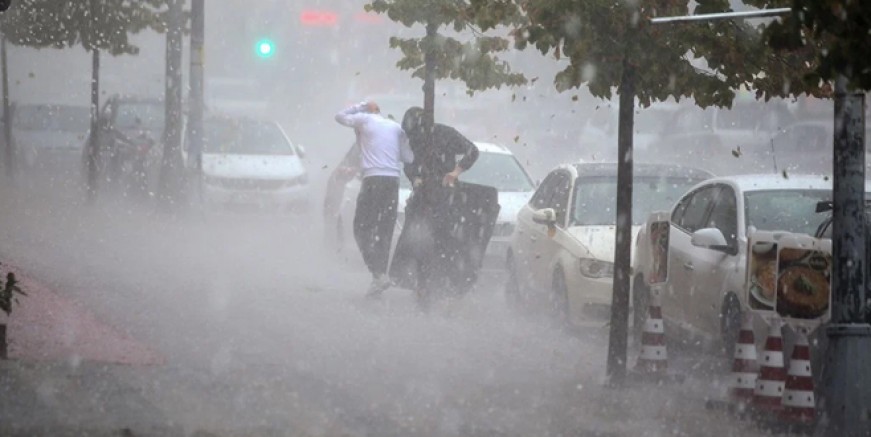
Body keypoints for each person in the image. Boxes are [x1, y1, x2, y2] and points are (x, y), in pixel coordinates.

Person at [392, 106, 482, 306]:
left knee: (445, 241)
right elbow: (408, 162)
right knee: (416, 241)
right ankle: (420, 283)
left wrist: (455, 172)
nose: (413, 138)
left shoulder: (445, 133)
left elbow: (472, 151)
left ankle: (443, 284)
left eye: (415, 133)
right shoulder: (412, 139)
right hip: (422, 197)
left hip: (445, 197)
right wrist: (415, 178)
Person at [335, 101, 414, 297]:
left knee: (361, 227)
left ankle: (378, 274)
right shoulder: (396, 127)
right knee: (384, 229)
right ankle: (379, 276)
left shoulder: (364, 119)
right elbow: (408, 157)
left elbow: (340, 116)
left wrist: (361, 106)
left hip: (373, 180)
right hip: (392, 182)